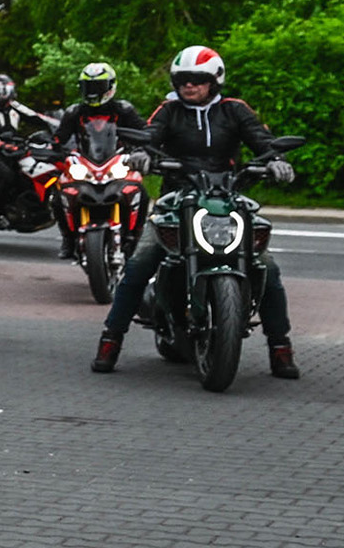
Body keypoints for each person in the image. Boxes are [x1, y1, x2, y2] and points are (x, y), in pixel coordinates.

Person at [91, 45, 301, 379]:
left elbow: (262, 140)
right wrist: (142, 153)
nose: (189, 86)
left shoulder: (235, 110)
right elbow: (150, 135)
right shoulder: (170, 110)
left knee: (267, 267)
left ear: (214, 81)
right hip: (178, 199)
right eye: (183, 80)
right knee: (141, 262)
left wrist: (276, 160)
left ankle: (280, 347)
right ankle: (111, 340)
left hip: (227, 198)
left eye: (197, 79)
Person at [49, 63, 149, 258]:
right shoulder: (74, 112)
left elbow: (144, 133)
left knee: (141, 192)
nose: (92, 92)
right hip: (85, 163)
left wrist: (142, 150)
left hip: (119, 161)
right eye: (88, 87)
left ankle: (136, 234)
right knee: (58, 194)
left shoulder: (124, 110)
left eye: (98, 86)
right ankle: (68, 238)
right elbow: (58, 139)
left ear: (110, 86)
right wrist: (52, 150)